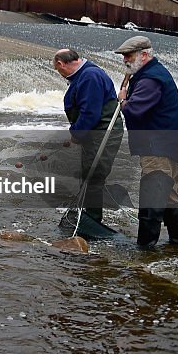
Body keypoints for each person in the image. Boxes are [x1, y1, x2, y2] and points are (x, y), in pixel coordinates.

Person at [114, 35, 178, 247]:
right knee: (172, 195)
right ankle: (177, 246)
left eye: (128, 56)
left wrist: (122, 99)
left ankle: (145, 250)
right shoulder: (154, 73)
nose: (125, 61)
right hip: (170, 144)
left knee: (152, 197)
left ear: (145, 55)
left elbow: (135, 111)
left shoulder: (150, 79)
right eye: (124, 57)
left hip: (157, 147)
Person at [53, 48, 124, 224]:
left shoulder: (89, 76)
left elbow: (90, 113)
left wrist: (76, 134)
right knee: (89, 173)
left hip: (103, 132)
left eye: (58, 69)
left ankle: (93, 220)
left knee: (94, 175)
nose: (60, 73)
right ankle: (88, 212)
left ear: (61, 64)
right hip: (95, 133)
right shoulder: (84, 74)